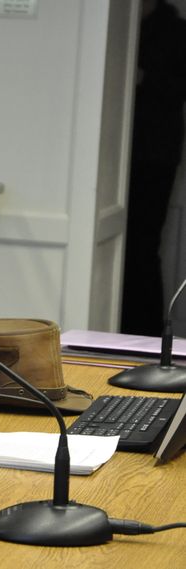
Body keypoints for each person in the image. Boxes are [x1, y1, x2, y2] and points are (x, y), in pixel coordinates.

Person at [121, 0, 186, 335]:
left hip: (155, 153)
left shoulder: (175, 32)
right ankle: (124, 325)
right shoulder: (127, 26)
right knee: (124, 245)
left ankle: (145, 331)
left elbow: (178, 87)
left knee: (144, 247)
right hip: (120, 155)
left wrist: (144, 78)